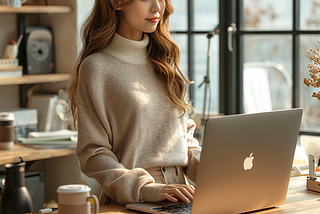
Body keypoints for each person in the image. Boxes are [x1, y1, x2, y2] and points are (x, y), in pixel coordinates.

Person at [68, 0, 201, 205]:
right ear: (116, 2)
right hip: (134, 201)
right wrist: (147, 189)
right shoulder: (96, 68)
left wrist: (216, 173)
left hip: (181, 197)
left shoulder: (166, 62)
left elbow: (184, 140)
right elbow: (93, 153)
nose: (157, 6)